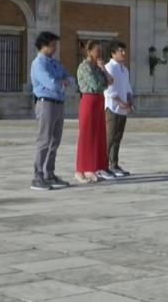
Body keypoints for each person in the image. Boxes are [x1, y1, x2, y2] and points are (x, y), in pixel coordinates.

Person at [30, 32, 76, 191]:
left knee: (55, 140)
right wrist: (62, 82)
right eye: (52, 45)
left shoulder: (55, 63)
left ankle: (49, 173)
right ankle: (37, 176)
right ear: (43, 45)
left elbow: (70, 78)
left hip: (59, 103)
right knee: (44, 140)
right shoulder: (38, 64)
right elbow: (52, 84)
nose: (55, 48)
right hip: (46, 103)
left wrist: (64, 81)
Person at [76, 40, 114, 183]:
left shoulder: (97, 67)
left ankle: (94, 166)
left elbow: (111, 81)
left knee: (98, 135)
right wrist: (104, 83)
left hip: (99, 101)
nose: (99, 53)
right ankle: (82, 168)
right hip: (89, 101)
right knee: (87, 135)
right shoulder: (84, 67)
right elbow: (95, 84)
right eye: (97, 50)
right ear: (89, 51)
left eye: (100, 50)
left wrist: (103, 68)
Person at [104, 41, 134, 178]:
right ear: (113, 53)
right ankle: (103, 165)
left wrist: (129, 102)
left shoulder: (124, 69)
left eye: (124, 51)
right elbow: (109, 89)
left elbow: (127, 87)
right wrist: (120, 102)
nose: (123, 53)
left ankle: (114, 164)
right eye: (121, 51)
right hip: (112, 108)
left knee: (118, 137)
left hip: (122, 108)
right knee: (109, 137)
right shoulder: (109, 67)